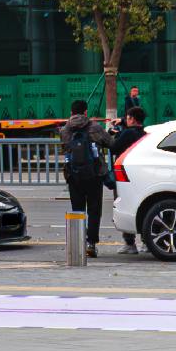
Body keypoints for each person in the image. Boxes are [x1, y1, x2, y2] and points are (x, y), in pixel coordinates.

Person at [61, 99, 107, 255]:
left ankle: (79, 243)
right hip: (94, 175)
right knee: (94, 210)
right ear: (86, 112)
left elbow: (65, 148)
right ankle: (91, 244)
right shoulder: (95, 127)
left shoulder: (65, 130)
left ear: (71, 112)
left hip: (73, 175)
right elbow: (110, 142)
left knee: (77, 210)